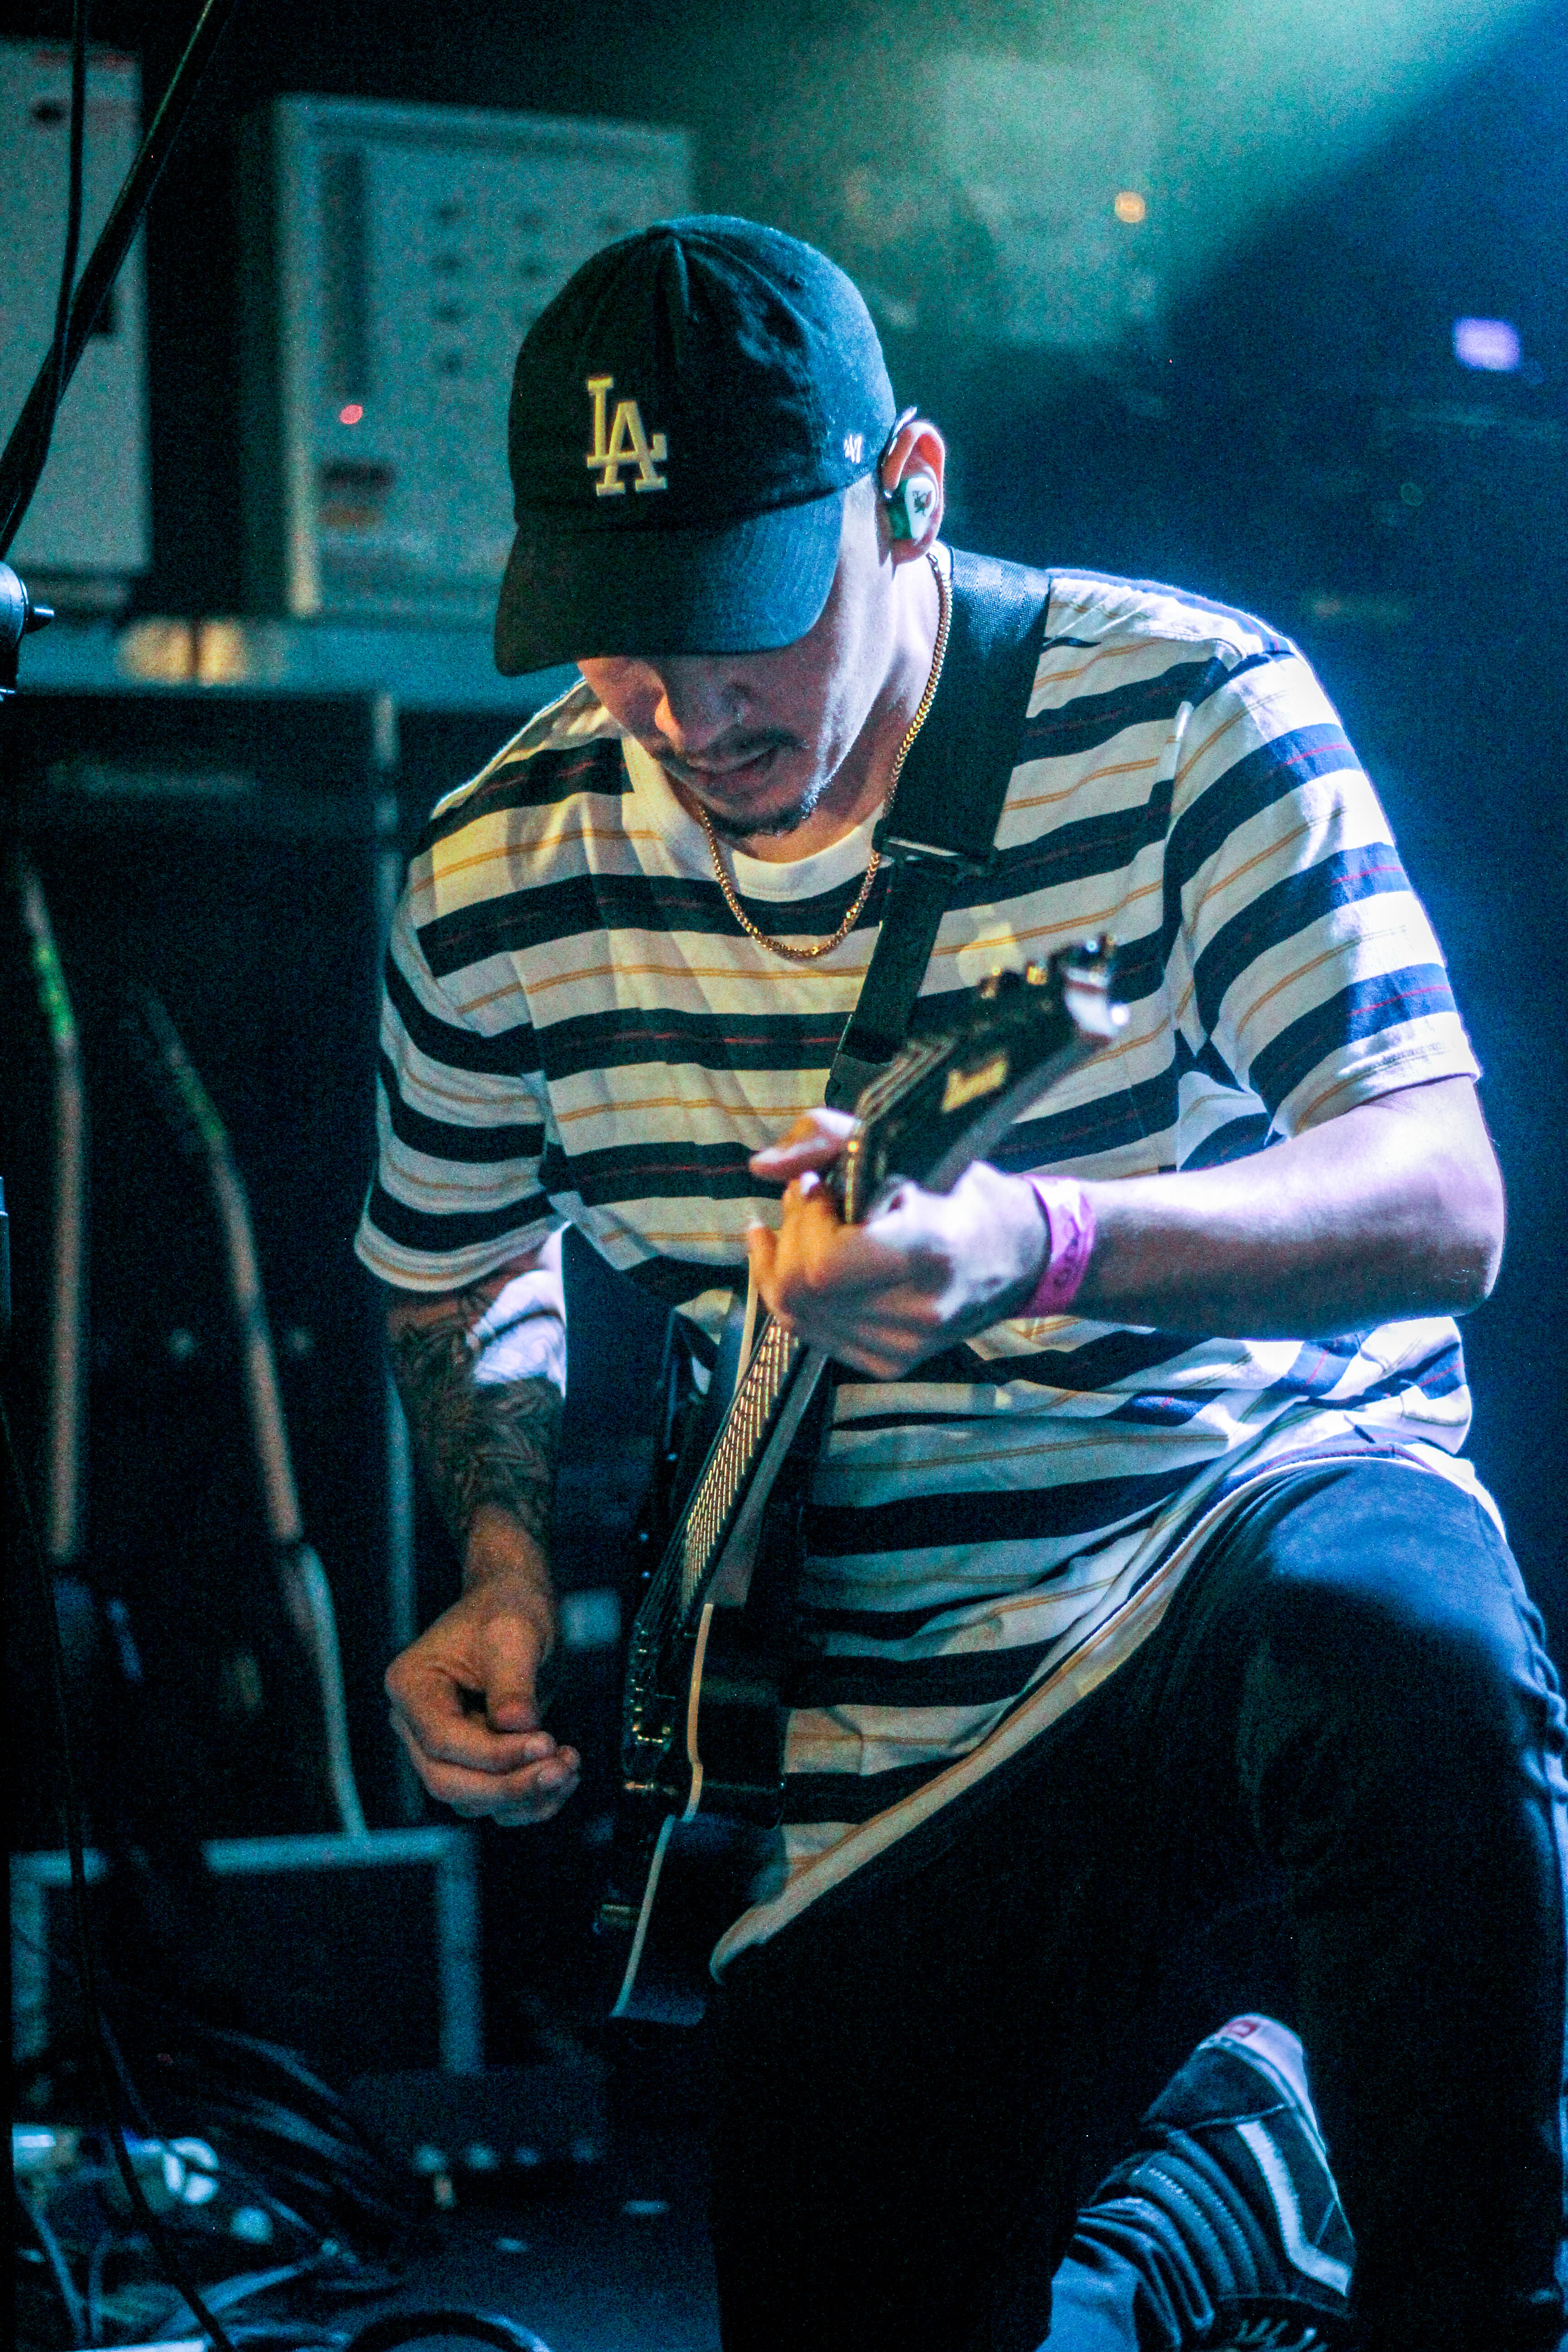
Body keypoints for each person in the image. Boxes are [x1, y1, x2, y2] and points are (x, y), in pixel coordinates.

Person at [356, 218, 1568, 2352]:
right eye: (621, 637)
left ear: (907, 489)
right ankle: (1216, 2198)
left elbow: (1442, 1191)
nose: (686, 707)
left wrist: (1045, 1241)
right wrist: (501, 1559)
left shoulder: (1189, 710)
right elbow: (462, 1266)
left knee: (1408, 1654)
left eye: (743, 616)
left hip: (1231, 1523)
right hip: (871, 1723)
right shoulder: (491, 877)